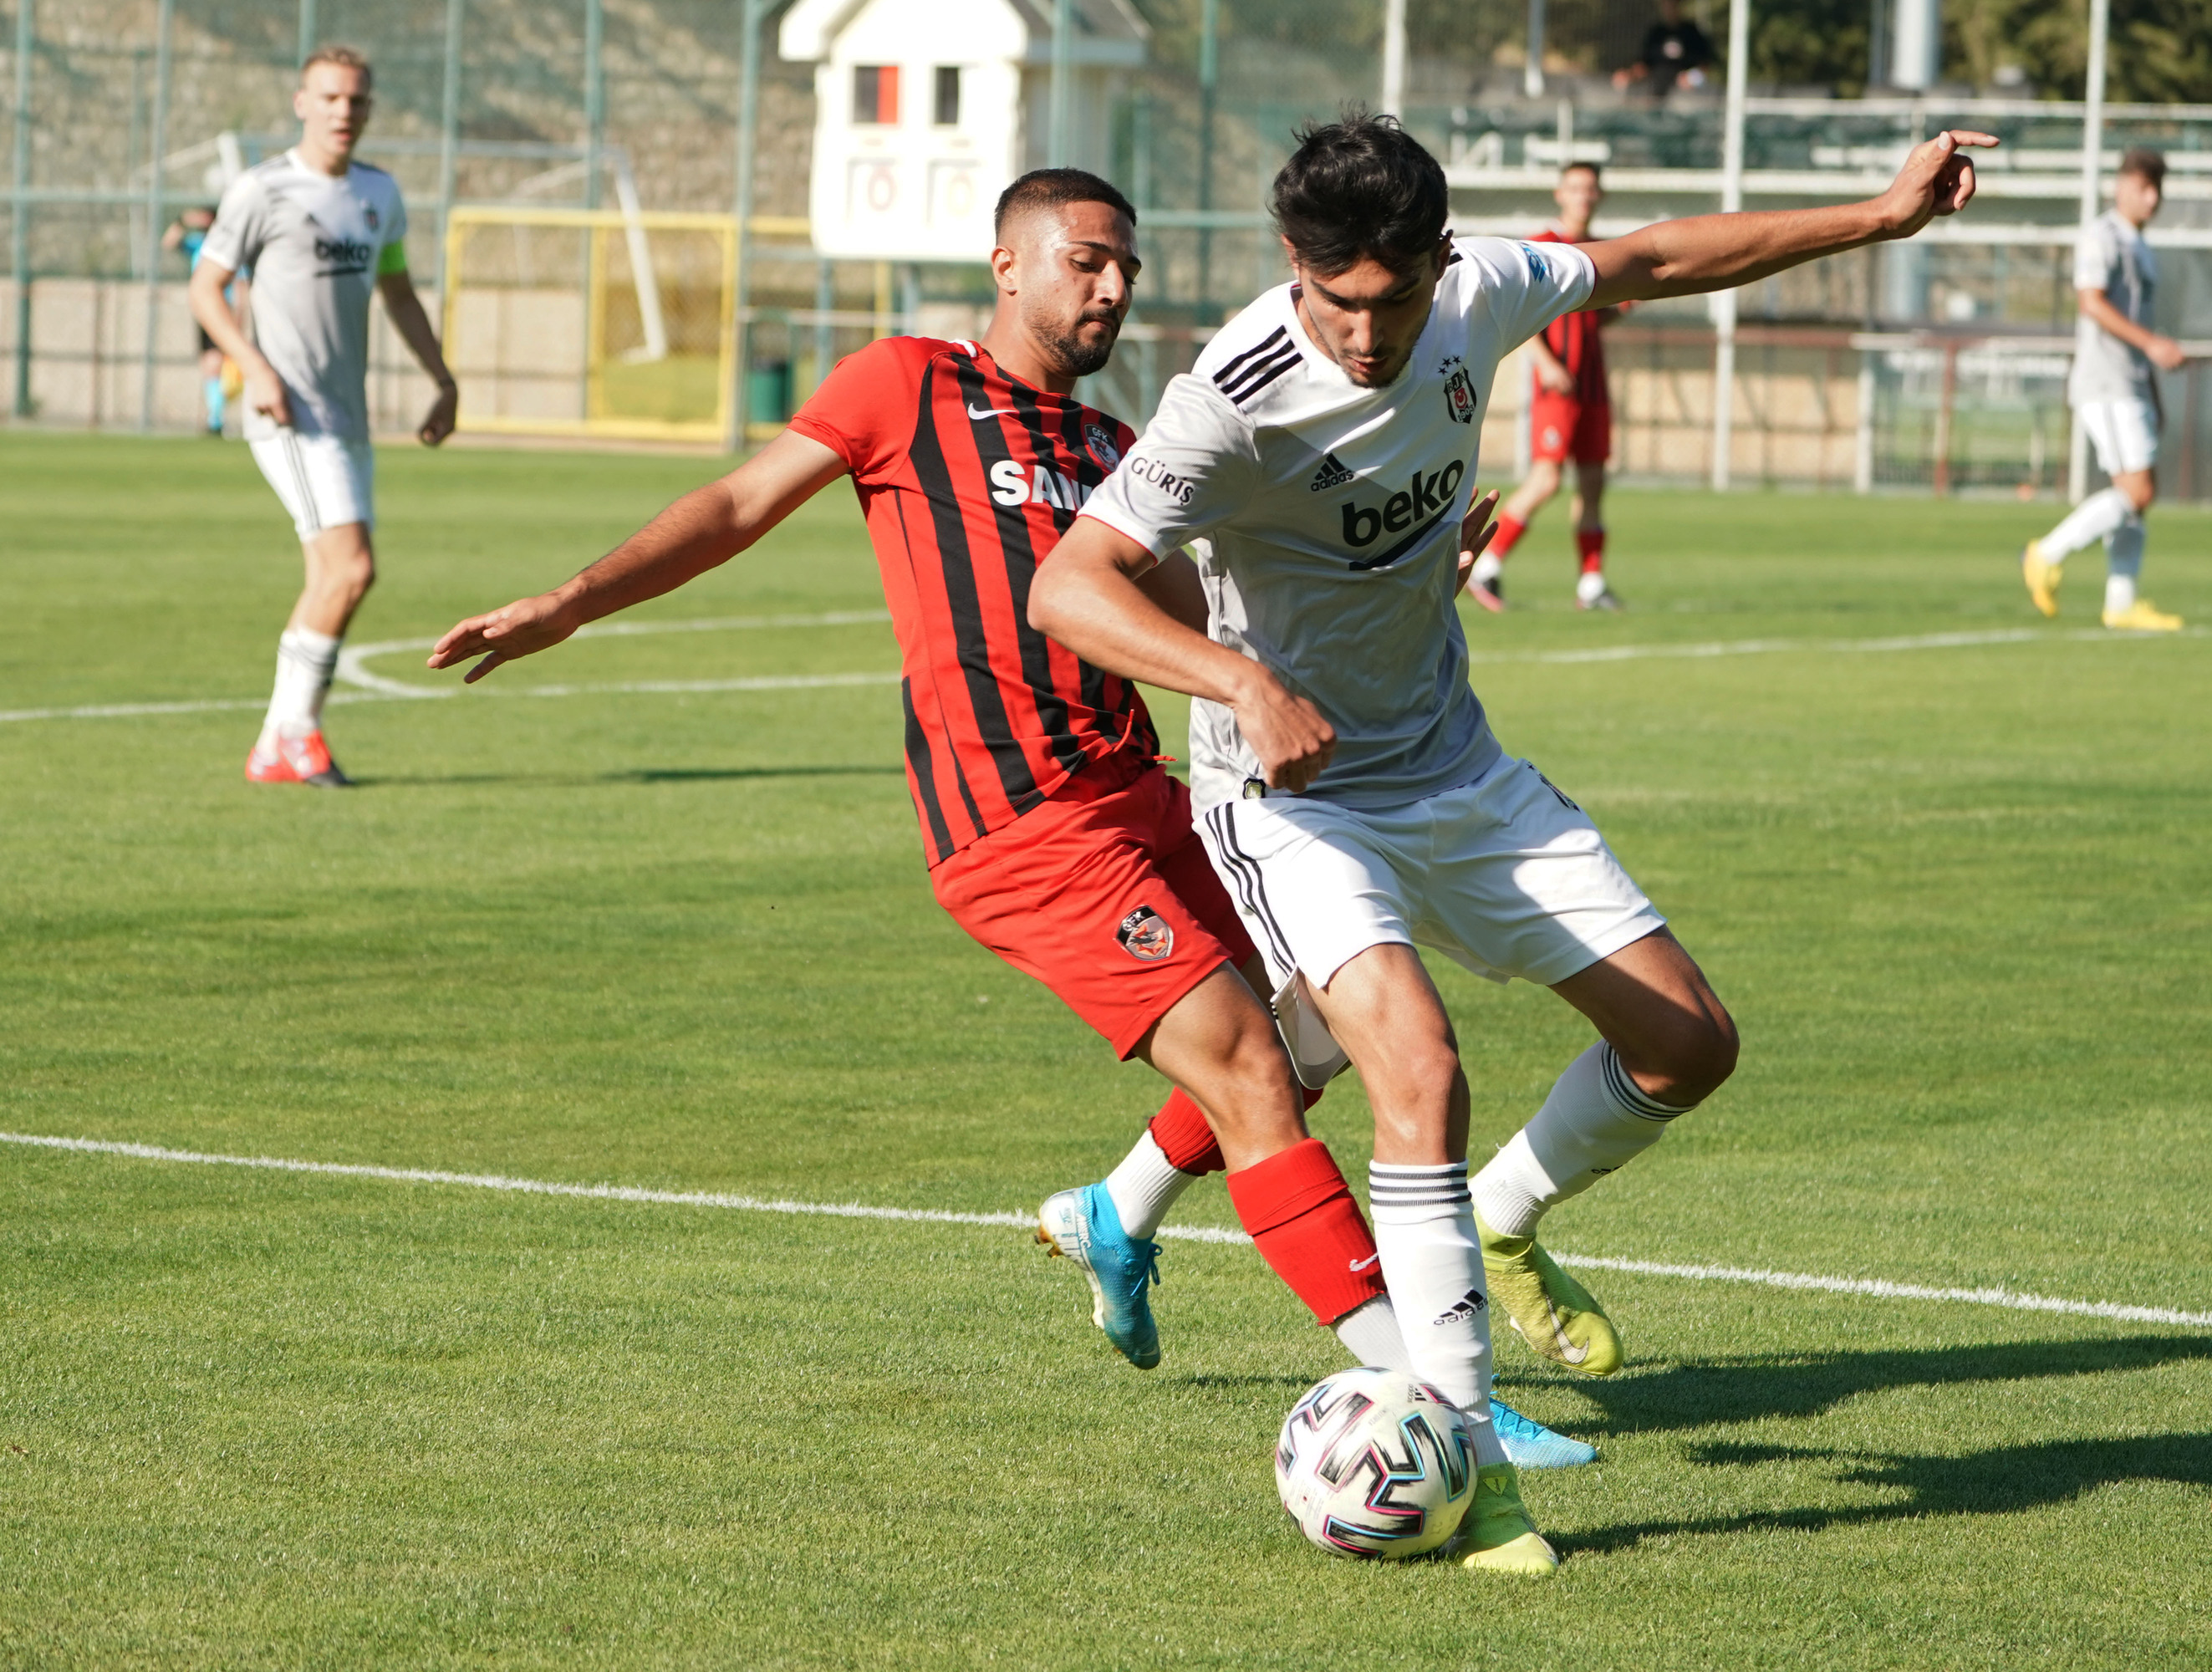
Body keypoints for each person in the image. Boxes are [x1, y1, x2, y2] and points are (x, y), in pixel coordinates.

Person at [421, 169, 1592, 1484]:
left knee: (1320, 1021)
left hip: (1150, 795)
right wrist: (572, 602)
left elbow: (1206, 627)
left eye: (1127, 271)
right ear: (1009, 264)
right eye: (1088, 260)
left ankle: (1119, 1211)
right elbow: (740, 506)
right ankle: (1435, 1406)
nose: (1111, 288)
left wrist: (1407, 569)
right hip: (1024, 824)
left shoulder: (1115, 456)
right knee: (1255, 1077)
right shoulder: (904, 384)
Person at [1029, 115, 1996, 1574]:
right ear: (1295, 267)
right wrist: (1239, 679)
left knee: (1691, 1045)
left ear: (1438, 266)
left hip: (1457, 765)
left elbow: (1653, 257)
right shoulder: (1229, 396)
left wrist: (1878, 216)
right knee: (1414, 1063)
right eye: (1338, 299)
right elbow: (1068, 587)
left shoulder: (1482, 288)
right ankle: (1479, 1465)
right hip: (1294, 800)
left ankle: (1494, 1221)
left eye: (1394, 300)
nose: (1367, 333)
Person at [191, 45, 460, 789]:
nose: (345, 112)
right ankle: (299, 733)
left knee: (329, 576)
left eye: (358, 101)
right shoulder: (262, 189)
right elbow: (205, 289)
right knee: (352, 568)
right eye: (332, 98)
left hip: (348, 414)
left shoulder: (380, 194)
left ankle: (275, 746)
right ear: (301, 103)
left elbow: (399, 293)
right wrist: (256, 368)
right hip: (290, 410)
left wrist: (442, 378)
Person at [2021, 149, 2184, 633]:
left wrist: (2152, 390)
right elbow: (2091, 303)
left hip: (2131, 383)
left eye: (2158, 189)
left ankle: (2121, 603)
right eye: (2144, 187)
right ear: (2121, 186)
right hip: (2105, 382)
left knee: (2137, 495)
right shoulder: (2102, 235)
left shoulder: (2141, 245)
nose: (2152, 198)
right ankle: (2045, 554)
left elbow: (2137, 321)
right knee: (2137, 490)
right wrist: (2152, 346)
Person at [1467, 161, 1627, 614]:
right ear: (1560, 193)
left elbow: (1598, 314)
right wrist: (1545, 361)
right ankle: (1488, 565)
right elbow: (1523, 310)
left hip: (1593, 383)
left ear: (1600, 196)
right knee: (1547, 478)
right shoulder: (1542, 247)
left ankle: (1592, 583)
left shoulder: (1602, 249)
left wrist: (1623, 304)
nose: (1583, 195)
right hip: (1558, 384)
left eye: (1591, 188)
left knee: (1593, 483)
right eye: (1575, 187)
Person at [164, 206, 249, 436]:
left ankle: (215, 419)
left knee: (217, 364)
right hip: (203, 311)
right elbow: (169, 242)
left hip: (222, 308)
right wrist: (182, 219)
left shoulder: (229, 246)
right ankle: (215, 418)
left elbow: (240, 284)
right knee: (209, 366)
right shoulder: (198, 243)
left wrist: (238, 315)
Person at [1613, 0, 1720, 95]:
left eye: (1673, 5)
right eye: (1666, 5)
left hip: (1686, 92)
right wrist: (1629, 75)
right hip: (1657, 88)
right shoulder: (1656, 33)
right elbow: (1644, 64)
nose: (1669, 9)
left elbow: (1705, 64)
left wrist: (1691, 78)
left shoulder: (1692, 32)